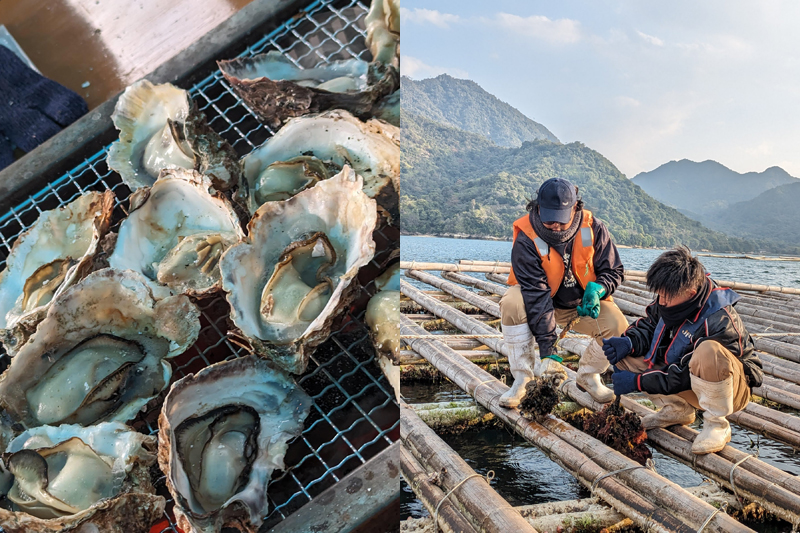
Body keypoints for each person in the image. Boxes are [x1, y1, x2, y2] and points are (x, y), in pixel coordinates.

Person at [602, 247, 763, 454]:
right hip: (686, 380)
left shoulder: (720, 319)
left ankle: (717, 424)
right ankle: (678, 409)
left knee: (709, 351)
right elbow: (650, 326)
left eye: (666, 298)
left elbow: (682, 374)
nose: (662, 302)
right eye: (659, 295)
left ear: (690, 294)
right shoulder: (669, 296)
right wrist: (628, 342)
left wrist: (638, 382)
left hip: (729, 389)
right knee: (626, 358)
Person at [499, 177, 628, 407]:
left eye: (561, 220)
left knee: (619, 327)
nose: (555, 225)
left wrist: (599, 288)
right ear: (537, 208)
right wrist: (549, 350)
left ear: (575, 208)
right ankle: (522, 378)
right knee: (511, 301)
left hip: (580, 306)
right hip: (538, 304)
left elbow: (614, 270)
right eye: (549, 220)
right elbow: (536, 294)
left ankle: (589, 375)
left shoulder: (594, 228)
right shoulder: (526, 238)